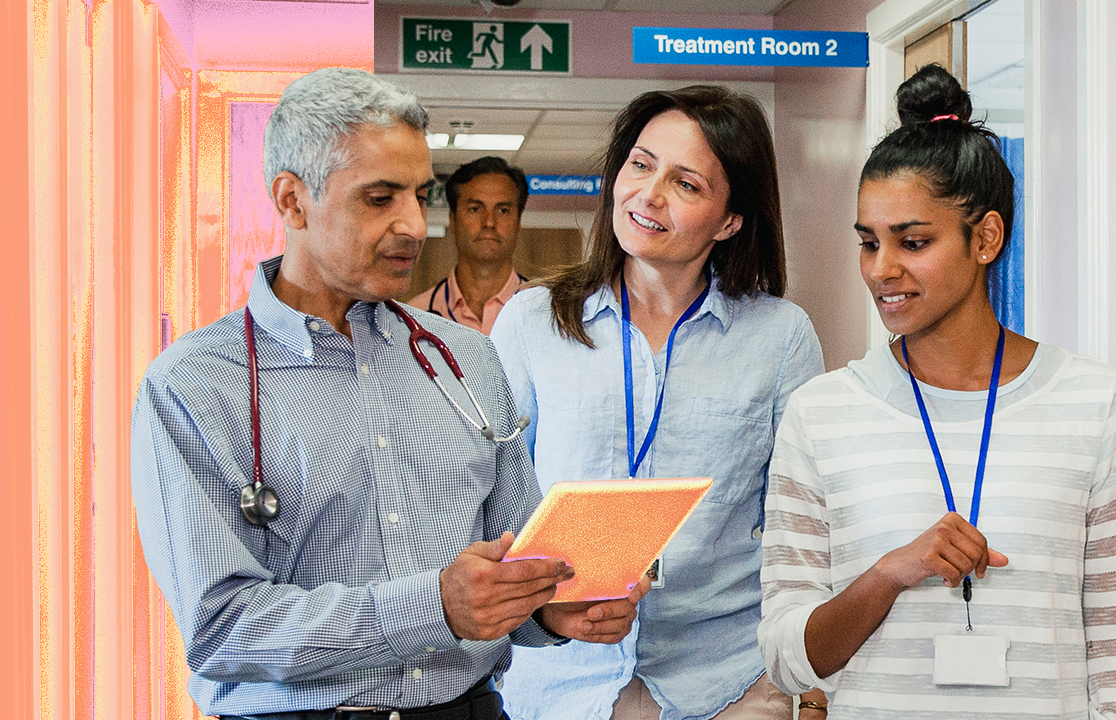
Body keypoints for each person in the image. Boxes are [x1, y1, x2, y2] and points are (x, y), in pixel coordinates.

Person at [130, 67, 646, 720]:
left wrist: (550, 604)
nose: (412, 225)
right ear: (291, 200)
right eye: (379, 198)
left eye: (419, 195)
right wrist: (434, 605)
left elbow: (519, 554)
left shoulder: (467, 360)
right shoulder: (195, 386)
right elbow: (222, 627)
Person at [758, 64, 1116, 719]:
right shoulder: (822, 414)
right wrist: (890, 573)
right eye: (869, 243)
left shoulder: (1094, 403)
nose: (882, 269)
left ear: (986, 238)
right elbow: (786, 656)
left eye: (913, 242)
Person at [489, 86, 830, 720]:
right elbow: (493, 503)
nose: (649, 194)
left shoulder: (779, 337)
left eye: (687, 184)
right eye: (641, 165)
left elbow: (804, 526)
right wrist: (538, 609)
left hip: (727, 680)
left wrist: (808, 688)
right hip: (560, 681)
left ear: (731, 220)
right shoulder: (531, 323)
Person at [408, 156, 528, 335]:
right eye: (475, 209)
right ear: (452, 221)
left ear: (518, 223)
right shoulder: (415, 317)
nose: (489, 222)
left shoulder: (547, 314)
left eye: (503, 211)